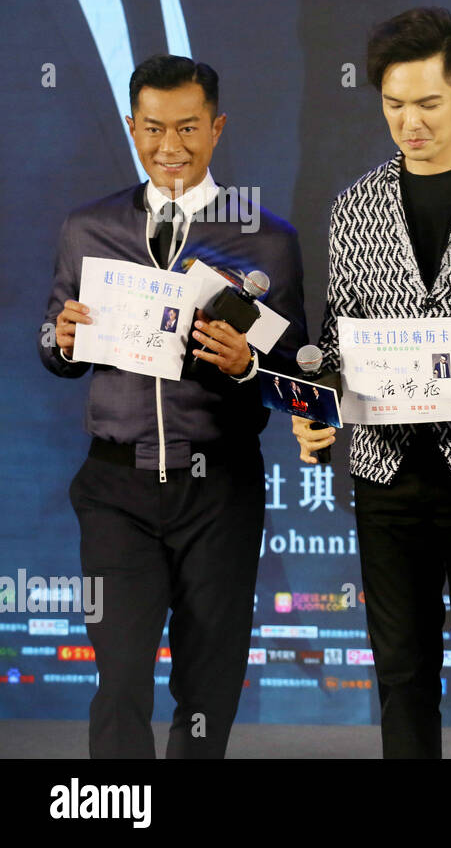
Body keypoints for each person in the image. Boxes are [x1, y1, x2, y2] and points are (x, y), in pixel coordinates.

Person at [291, 7, 451, 759]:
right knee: (402, 674)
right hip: (385, 474)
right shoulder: (356, 204)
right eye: (394, 105)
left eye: (428, 104)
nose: (410, 122)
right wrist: (319, 407)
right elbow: (339, 332)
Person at [39, 54, 308, 758]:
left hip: (219, 487)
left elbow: (299, 373)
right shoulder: (88, 229)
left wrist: (251, 363)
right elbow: (53, 342)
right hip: (115, 487)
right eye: (153, 129)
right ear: (132, 128)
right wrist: (64, 340)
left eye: (188, 128)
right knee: (120, 678)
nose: (171, 148)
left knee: (207, 687)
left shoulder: (267, 239)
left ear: (217, 128)